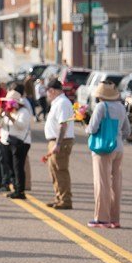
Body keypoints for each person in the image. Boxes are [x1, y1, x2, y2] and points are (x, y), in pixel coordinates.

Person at [85, 82, 130, 228]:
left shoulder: (101, 107)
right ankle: (114, 218)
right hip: (118, 148)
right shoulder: (121, 107)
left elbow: (92, 128)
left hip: (102, 149)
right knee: (115, 184)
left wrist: (85, 126)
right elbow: (127, 130)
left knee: (102, 183)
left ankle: (102, 218)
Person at [0, 90, 32, 199]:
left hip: (20, 143)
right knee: (10, 166)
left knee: (18, 167)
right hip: (6, 142)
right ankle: (15, 188)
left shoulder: (23, 112)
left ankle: (20, 191)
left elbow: (21, 126)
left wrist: (10, 117)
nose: (7, 104)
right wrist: (0, 115)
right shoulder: (7, 111)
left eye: (9, 102)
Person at [43, 79, 75, 209]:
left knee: (61, 170)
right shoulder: (57, 102)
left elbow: (63, 125)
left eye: (48, 92)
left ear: (52, 91)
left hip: (60, 141)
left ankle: (65, 200)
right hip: (54, 140)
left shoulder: (62, 103)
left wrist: (58, 144)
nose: (47, 95)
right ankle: (59, 197)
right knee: (54, 171)